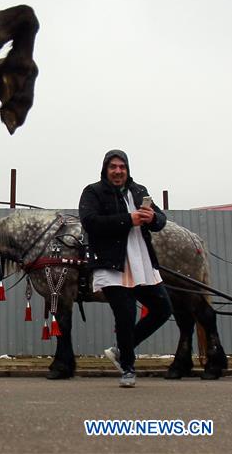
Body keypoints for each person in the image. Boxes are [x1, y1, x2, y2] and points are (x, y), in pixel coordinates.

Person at [78, 149, 171, 388]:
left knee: (162, 309)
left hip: (142, 261)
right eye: (113, 167)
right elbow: (90, 222)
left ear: (127, 170)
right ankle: (128, 368)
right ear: (105, 169)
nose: (118, 171)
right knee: (126, 316)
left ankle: (121, 350)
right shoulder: (93, 192)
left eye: (122, 167)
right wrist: (128, 219)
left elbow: (161, 221)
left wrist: (153, 219)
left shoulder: (140, 191)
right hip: (112, 265)